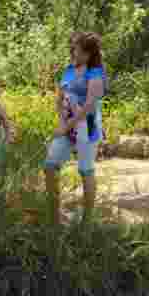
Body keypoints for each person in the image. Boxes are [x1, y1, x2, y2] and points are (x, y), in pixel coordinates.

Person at [43, 32, 106, 225]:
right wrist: (62, 122)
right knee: (50, 166)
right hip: (67, 126)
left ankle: (86, 222)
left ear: (87, 53)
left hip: (87, 127)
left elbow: (88, 106)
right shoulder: (70, 70)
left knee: (85, 170)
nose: (72, 50)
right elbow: (59, 98)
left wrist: (67, 126)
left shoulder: (95, 73)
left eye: (76, 48)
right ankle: (55, 217)